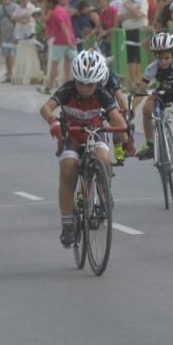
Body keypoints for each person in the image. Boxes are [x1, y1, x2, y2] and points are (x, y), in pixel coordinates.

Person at [39, 50, 126, 248]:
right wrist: (53, 121)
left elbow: (117, 119)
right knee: (68, 169)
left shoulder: (102, 93)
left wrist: (125, 140)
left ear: (98, 82)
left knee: (103, 158)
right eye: (81, 83)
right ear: (74, 78)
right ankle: (68, 223)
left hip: (96, 132)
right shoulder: (68, 90)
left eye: (90, 84)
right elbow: (45, 108)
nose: (85, 88)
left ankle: (105, 191)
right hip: (72, 135)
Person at [133, 32, 173, 191]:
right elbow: (141, 90)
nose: (163, 61)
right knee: (147, 108)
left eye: (167, 58)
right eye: (160, 58)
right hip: (162, 92)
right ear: (155, 56)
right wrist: (132, 107)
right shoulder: (152, 68)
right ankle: (149, 144)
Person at [39, 0, 76, 95]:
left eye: (45, 2)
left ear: (50, 3)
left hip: (61, 42)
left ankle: (49, 87)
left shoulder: (56, 13)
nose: (44, 4)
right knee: (72, 63)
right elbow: (59, 28)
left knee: (55, 64)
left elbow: (63, 27)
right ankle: (68, 86)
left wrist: (67, 41)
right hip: (70, 40)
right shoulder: (62, 9)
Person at [119, 0, 150, 90]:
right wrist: (132, 11)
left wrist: (129, 8)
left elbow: (140, 15)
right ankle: (132, 82)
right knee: (130, 58)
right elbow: (119, 17)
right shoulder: (124, 1)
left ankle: (140, 81)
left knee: (140, 57)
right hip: (128, 32)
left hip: (140, 31)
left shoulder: (142, 0)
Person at [0, 0, 18, 83]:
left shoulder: (15, 7)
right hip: (4, 36)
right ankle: (9, 74)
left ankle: (12, 74)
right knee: (7, 56)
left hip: (14, 36)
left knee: (13, 55)